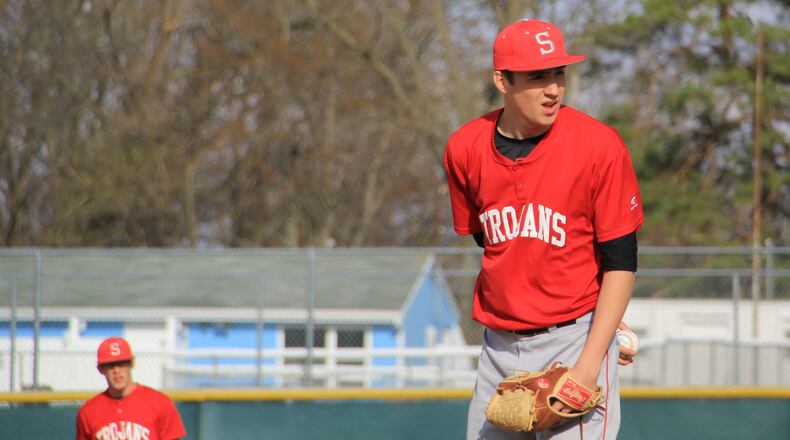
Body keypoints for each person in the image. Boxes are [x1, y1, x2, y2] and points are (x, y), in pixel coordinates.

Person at [443, 19, 643, 439]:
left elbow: (621, 261)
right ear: (502, 80)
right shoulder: (465, 148)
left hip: (574, 341)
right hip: (498, 347)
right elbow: (495, 244)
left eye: (559, 74)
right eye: (537, 77)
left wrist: (592, 357)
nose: (553, 89)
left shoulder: (599, 145)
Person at [76, 337, 187, 440]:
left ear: (132, 363)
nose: (116, 370)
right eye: (110, 365)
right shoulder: (88, 412)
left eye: (121, 363)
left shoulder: (160, 403)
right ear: (100, 369)